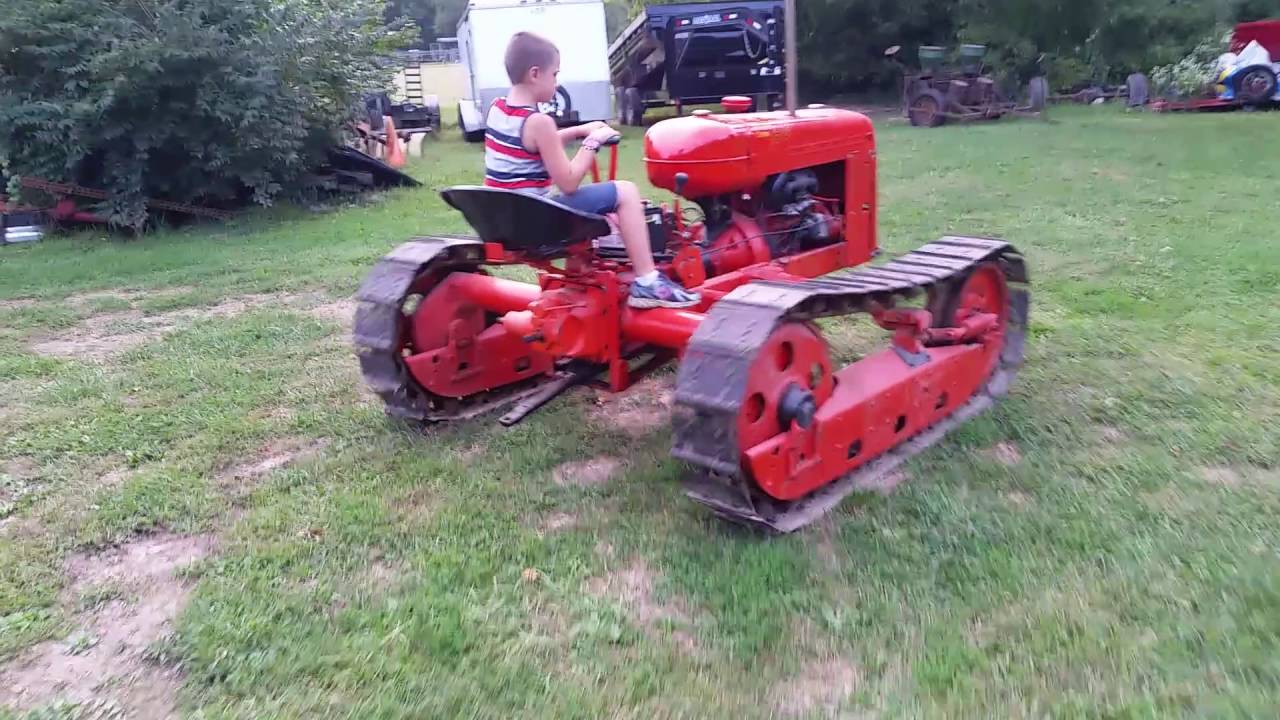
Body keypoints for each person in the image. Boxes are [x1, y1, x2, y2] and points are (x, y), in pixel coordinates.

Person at [484, 31, 700, 309]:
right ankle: (648, 281)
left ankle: (585, 277)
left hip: (506, 222)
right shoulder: (539, 122)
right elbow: (569, 183)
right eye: (554, 74)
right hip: (536, 224)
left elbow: (533, 144)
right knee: (626, 192)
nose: (556, 82)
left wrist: (580, 130)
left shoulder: (498, 109)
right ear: (535, 74)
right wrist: (592, 142)